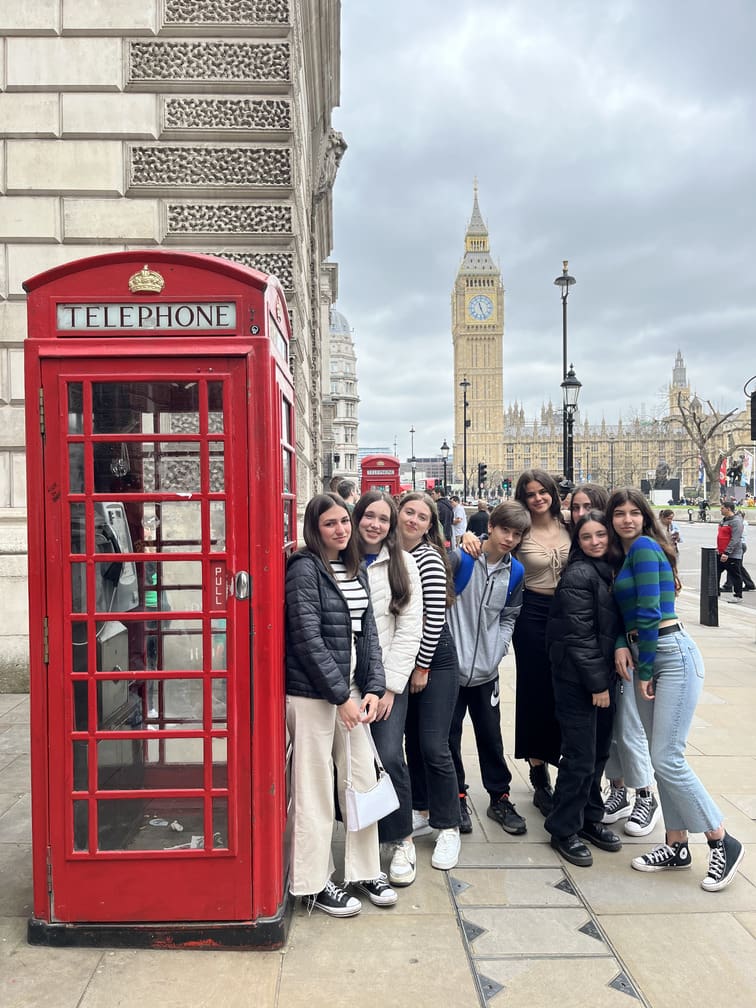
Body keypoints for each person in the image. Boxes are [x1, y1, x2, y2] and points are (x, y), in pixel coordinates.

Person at [608, 488, 744, 891]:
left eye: (634, 512)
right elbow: (626, 614)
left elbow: (650, 612)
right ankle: (676, 844)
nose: (627, 520)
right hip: (645, 651)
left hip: (668, 655)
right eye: (619, 513)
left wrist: (645, 666)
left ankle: (722, 839)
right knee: (659, 753)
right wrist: (621, 644)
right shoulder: (627, 555)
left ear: (645, 517)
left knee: (667, 757)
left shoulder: (646, 548)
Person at [285, 493, 397, 917]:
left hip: (349, 691)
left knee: (362, 779)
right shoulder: (303, 568)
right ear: (315, 527)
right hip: (312, 696)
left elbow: (367, 631)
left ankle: (365, 869)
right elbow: (307, 637)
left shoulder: (354, 568)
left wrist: (372, 685)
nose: (340, 530)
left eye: (343, 522)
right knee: (313, 790)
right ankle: (313, 883)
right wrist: (340, 697)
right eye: (330, 523)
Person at [352, 491, 423, 888]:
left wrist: (390, 687)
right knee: (352, 762)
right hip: (345, 679)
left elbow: (410, 628)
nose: (375, 524)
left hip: (387, 682)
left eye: (383, 518)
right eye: (369, 516)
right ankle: (362, 843)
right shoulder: (338, 557)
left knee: (390, 754)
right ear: (357, 516)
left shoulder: (402, 564)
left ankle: (401, 839)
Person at [447, 501, 530, 837]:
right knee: (449, 737)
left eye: (516, 533)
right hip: (451, 670)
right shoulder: (461, 559)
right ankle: (457, 795)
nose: (509, 538)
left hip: (486, 670)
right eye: (504, 530)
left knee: (490, 737)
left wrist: (498, 649)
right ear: (491, 526)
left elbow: (510, 615)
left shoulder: (516, 572)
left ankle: (500, 797)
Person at [545, 510, 623, 867]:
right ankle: (563, 828)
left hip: (603, 677)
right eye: (587, 537)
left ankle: (590, 817)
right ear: (578, 541)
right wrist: (597, 684)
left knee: (599, 752)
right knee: (579, 757)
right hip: (580, 680)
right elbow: (578, 635)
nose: (595, 542)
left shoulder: (606, 570)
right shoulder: (579, 574)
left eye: (600, 535)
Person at [396, 492, 462, 872]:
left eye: (423, 517)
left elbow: (434, 616)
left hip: (434, 659)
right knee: (411, 743)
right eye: (409, 512)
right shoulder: (391, 553)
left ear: (430, 525)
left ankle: (448, 825)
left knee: (435, 745)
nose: (415, 520)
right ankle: (421, 808)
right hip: (404, 660)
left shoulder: (428, 557)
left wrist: (422, 667)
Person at [511, 469, 571, 814]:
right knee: (536, 691)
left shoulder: (569, 526)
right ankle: (538, 771)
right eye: (530, 493)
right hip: (532, 613)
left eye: (542, 492)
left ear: (552, 493)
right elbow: (490, 547)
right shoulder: (520, 530)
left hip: (569, 611)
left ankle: (565, 760)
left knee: (566, 689)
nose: (538, 498)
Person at [716, 500, 745, 603]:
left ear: (728, 509)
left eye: (722, 508)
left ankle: (738, 595)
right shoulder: (724, 520)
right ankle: (715, 592)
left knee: (735, 574)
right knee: (716, 572)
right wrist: (719, 549)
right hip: (721, 552)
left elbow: (735, 538)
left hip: (732, 554)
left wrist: (727, 552)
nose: (720, 509)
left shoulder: (736, 521)